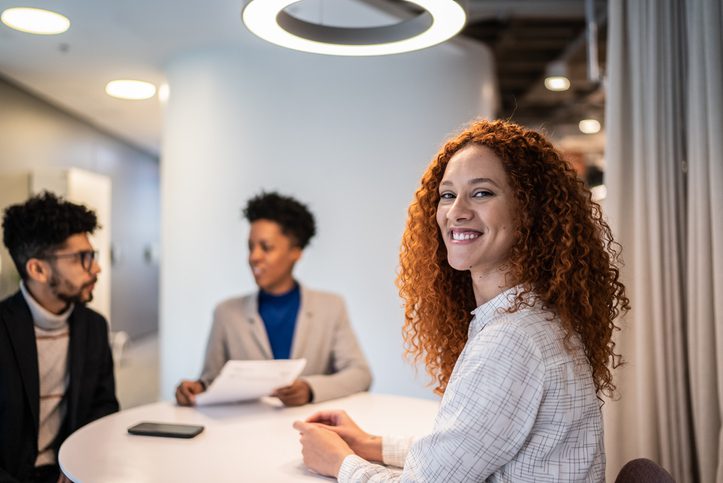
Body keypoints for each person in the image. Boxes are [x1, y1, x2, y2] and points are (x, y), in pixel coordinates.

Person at [293, 119, 630, 481]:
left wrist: (338, 462)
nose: (456, 211)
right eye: (448, 195)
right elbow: (469, 447)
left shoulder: (512, 339)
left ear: (528, 211)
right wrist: (368, 444)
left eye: (482, 193)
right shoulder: (529, 319)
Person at [176, 192, 372, 407]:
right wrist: (197, 388)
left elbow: (360, 374)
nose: (254, 257)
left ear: (295, 252)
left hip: (311, 430)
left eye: (266, 247)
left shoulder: (331, 307)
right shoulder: (225, 313)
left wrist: (310, 389)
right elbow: (211, 380)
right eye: (250, 247)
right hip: (244, 432)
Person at [0, 192, 119, 483]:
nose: (97, 268)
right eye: (83, 258)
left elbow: (104, 408)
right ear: (38, 269)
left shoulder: (94, 327)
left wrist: (80, 461)